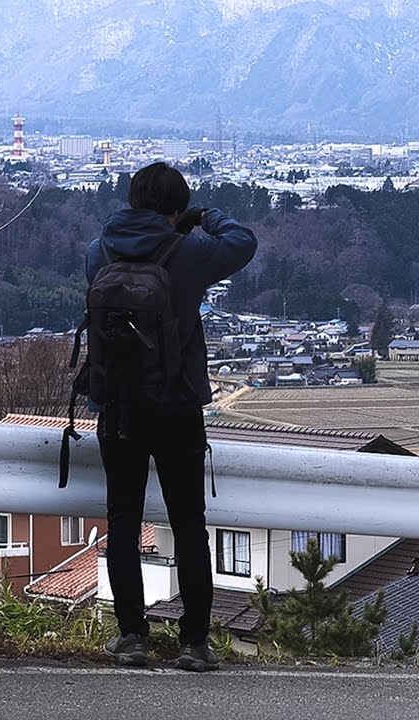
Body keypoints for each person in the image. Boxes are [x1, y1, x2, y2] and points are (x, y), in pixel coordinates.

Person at [87, 162, 257, 671]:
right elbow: (243, 242)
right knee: (189, 524)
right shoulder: (191, 250)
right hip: (178, 405)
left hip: (118, 407)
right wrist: (204, 217)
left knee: (122, 520)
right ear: (176, 208)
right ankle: (194, 643)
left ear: (133, 201)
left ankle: (132, 636)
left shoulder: (101, 250)